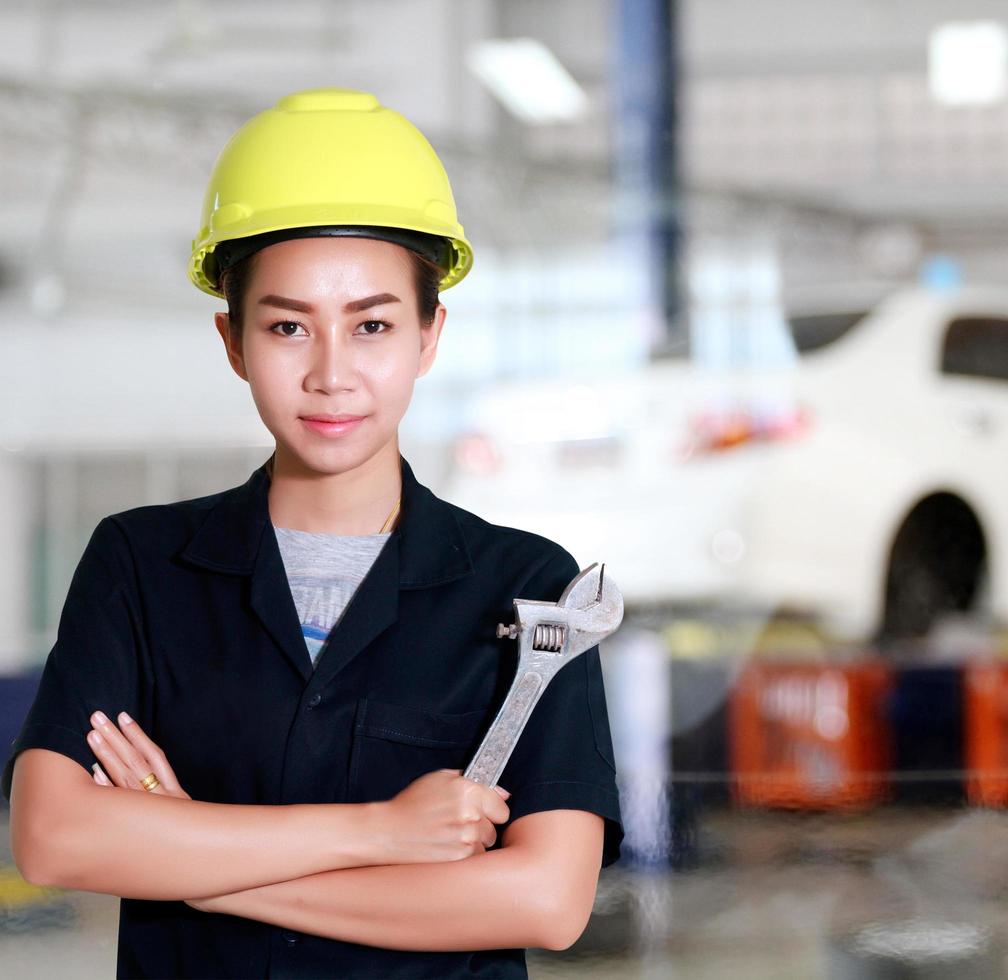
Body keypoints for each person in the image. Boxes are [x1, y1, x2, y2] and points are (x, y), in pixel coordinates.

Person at [3, 87, 623, 979]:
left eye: (371, 325)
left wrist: (195, 861)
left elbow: (543, 902)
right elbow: (56, 839)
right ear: (232, 341)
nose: (332, 375)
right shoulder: (139, 566)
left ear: (428, 334)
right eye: (289, 326)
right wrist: (381, 833)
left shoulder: (526, 588)